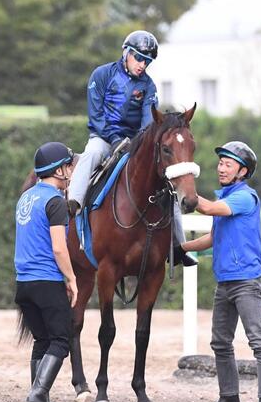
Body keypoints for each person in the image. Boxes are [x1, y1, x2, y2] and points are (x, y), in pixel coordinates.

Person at [67, 29, 196, 266]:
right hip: (104, 138)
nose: (142, 65)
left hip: (133, 141)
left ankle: (177, 247)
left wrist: (138, 143)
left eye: (147, 61)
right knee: (92, 154)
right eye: (139, 58)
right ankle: (73, 202)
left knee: (167, 187)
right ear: (126, 53)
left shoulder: (149, 86)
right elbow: (96, 115)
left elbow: (149, 123)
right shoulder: (102, 74)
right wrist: (115, 139)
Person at [179, 141, 261, 402]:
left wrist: (185, 187)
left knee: (258, 341)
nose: (221, 168)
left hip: (246, 280)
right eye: (220, 163)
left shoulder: (245, 197)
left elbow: (208, 209)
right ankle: (229, 398)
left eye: (228, 164)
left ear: (242, 172)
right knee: (220, 342)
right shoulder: (227, 197)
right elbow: (212, 237)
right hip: (225, 281)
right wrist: (181, 248)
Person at [15, 142, 78, 402]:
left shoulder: (26, 198)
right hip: (47, 281)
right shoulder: (56, 202)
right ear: (59, 170)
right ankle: (38, 394)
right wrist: (71, 278)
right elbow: (58, 247)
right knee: (61, 340)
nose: (71, 172)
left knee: (42, 340)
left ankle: (39, 399)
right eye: (69, 167)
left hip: (24, 284)